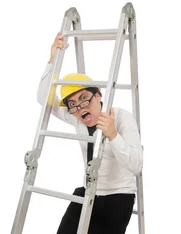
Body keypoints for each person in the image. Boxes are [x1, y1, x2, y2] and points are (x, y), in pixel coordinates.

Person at [37, 32, 143, 234]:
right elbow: (44, 100)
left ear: (98, 96)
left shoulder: (121, 117)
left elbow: (137, 165)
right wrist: (53, 60)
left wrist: (113, 135)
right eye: (73, 104)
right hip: (89, 191)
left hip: (119, 196)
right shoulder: (76, 117)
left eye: (84, 98)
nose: (80, 107)